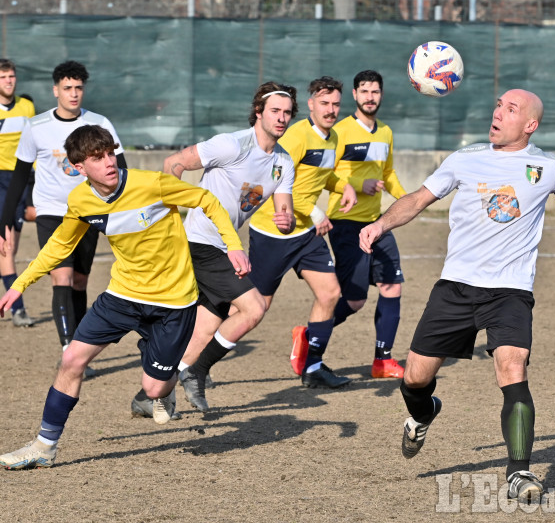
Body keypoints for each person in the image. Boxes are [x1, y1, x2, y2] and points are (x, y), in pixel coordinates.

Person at [359, 89, 555, 504]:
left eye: (510, 109)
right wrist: (381, 224)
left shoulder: (547, 166)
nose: (498, 113)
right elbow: (418, 199)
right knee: (415, 378)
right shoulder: (464, 158)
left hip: (510, 291)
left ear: (529, 124)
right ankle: (423, 412)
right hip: (456, 285)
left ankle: (519, 471)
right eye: (497, 105)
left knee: (512, 367)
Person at [0, 124, 246, 469]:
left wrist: (233, 245)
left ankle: (164, 385)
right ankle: (45, 445)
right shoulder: (81, 200)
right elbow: (59, 245)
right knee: (71, 360)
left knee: (155, 388)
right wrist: (19, 285)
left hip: (173, 303)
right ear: (77, 168)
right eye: (96, 158)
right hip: (122, 295)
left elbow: (205, 199)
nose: (108, 162)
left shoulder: (152, 184)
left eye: (109, 153)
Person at [161, 82, 298, 414]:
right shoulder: (231, 144)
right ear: (258, 112)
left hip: (227, 248)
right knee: (253, 308)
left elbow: (286, 212)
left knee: (205, 326)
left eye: (287, 113)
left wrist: (287, 221)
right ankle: (197, 371)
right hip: (199, 241)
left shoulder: (283, 162)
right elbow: (173, 164)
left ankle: (152, 392)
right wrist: (172, 218)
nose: (281, 118)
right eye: (275, 111)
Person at [0, 61, 127, 373]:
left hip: (89, 212)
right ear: (55, 90)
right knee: (62, 277)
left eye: (79, 88)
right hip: (52, 213)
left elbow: (120, 167)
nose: (74, 94)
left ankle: (80, 345)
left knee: (80, 282)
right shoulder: (37, 126)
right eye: (67, 88)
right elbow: (19, 176)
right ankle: (70, 350)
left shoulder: (99, 123)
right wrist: (5, 219)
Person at [249, 77, 357, 389]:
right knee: (253, 308)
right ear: (310, 105)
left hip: (306, 234)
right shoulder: (296, 137)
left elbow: (320, 176)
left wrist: (342, 185)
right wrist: (313, 210)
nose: (331, 110)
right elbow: (277, 182)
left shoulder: (333, 137)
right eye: (324, 103)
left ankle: (313, 367)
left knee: (330, 294)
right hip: (274, 231)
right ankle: (196, 358)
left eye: (336, 104)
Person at [325, 70, 408, 378]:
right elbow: (328, 174)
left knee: (392, 286)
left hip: (377, 223)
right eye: (364, 91)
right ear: (355, 96)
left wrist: (409, 198)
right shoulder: (340, 131)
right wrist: (361, 183)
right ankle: (310, 337)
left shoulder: (385, 131)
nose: (370, 97)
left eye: (375, 92)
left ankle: (383, 360)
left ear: (381, 95)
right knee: (355, 299)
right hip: (346, 221)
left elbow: (388, 174)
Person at [0, 59, 35, 327]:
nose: (9, 81)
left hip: (21, 181)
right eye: (3, 77)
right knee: (6, 247)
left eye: (11, 76)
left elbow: (33, 146)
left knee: (11, 246)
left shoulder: (27, 106)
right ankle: (18, 309)